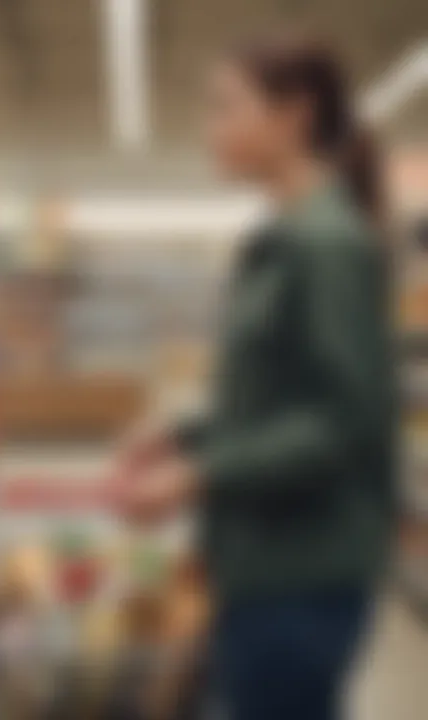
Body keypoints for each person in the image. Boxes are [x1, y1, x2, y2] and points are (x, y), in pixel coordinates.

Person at [116, 30, 397, 720]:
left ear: (294, 114)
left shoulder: (325, 245)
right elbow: (280, 400)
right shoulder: (284, 237)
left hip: (299, 576)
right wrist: (183, 434)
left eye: (226, 106)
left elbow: (345, 422)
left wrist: (199, 473)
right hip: (266, 567)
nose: (211, 126)